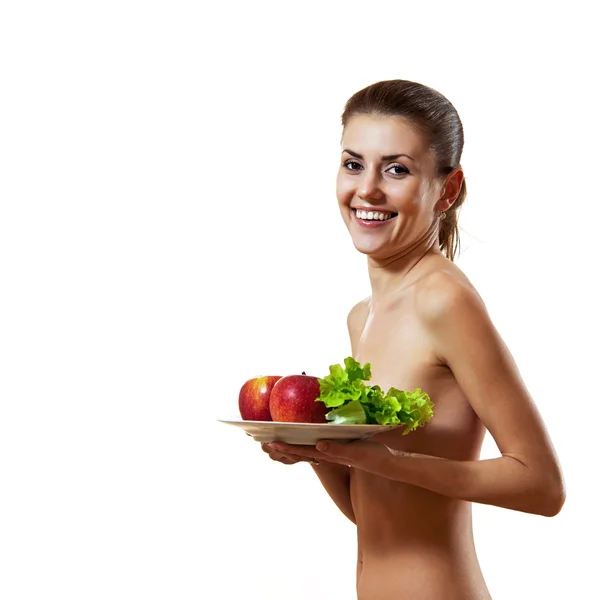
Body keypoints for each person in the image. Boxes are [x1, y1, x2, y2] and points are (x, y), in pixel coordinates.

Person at [261, 79, 566, 600]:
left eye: (396, 169)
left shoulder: (443, 300)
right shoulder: (363, 316)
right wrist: (316, 451)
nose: (367, 190)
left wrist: (391, 463)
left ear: (446, 190)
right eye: (354, 163)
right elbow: (375, 512)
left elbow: (541, 485)